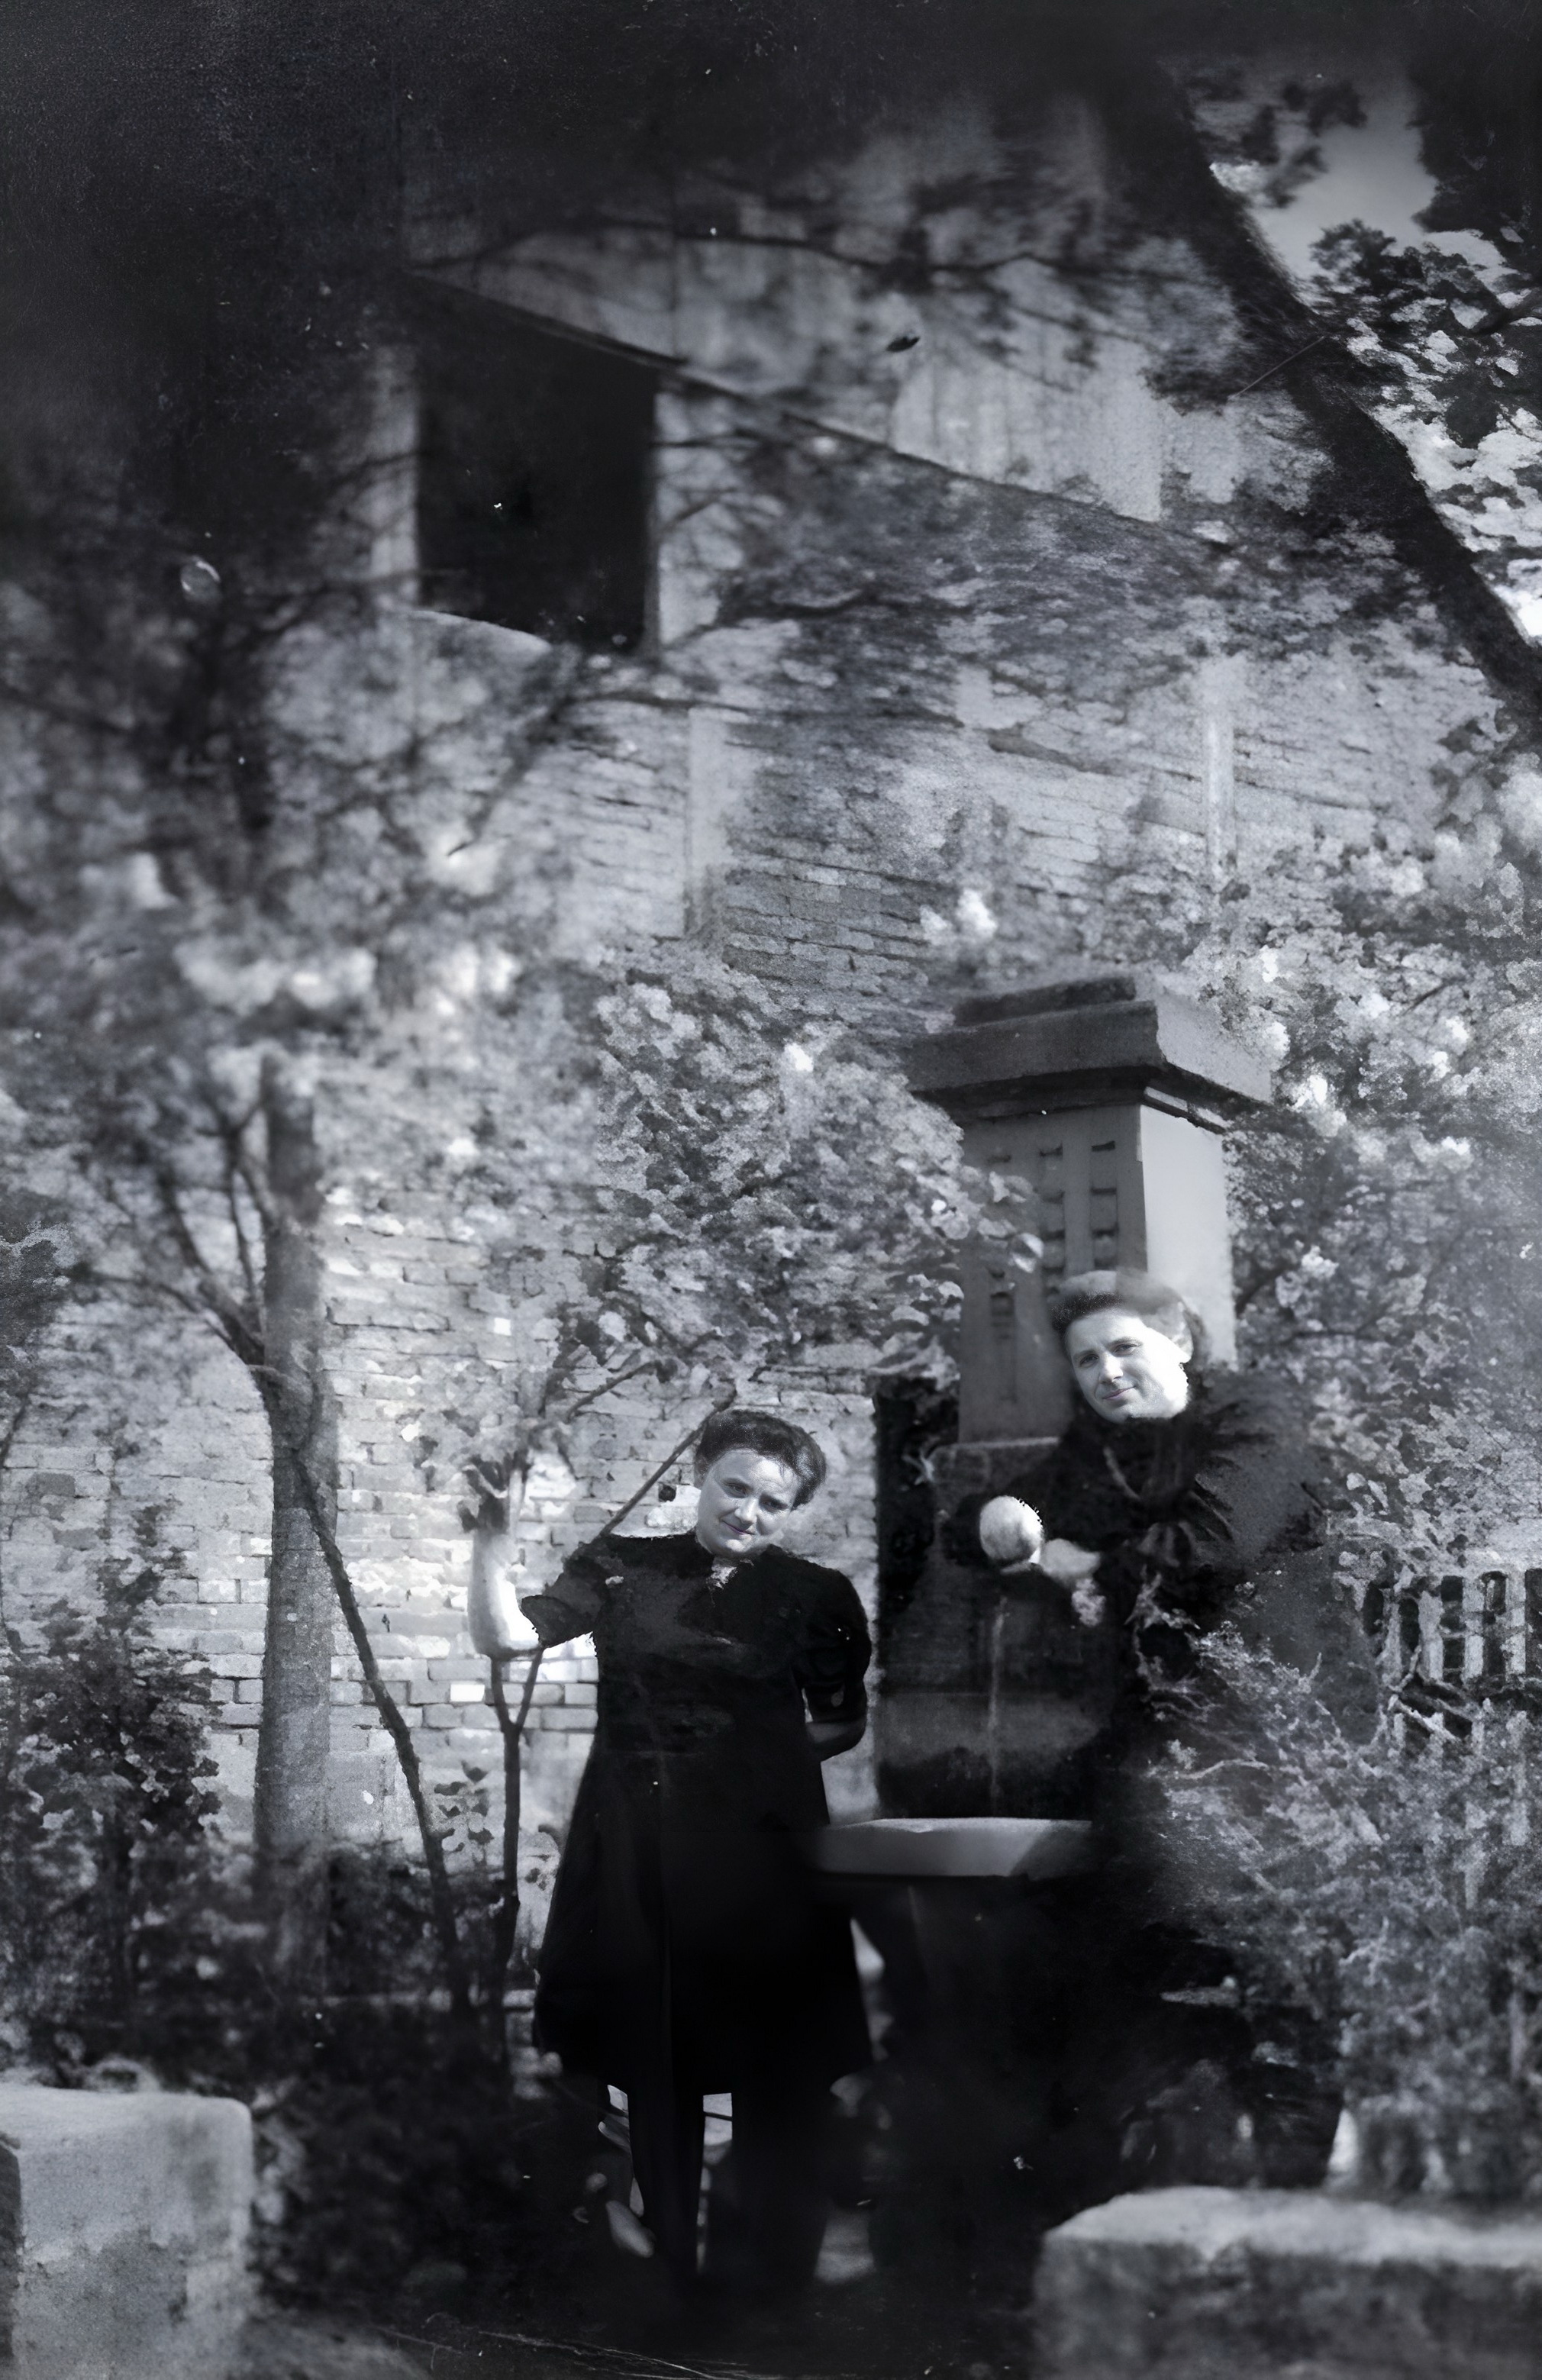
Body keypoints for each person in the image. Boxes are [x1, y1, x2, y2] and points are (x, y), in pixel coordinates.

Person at [518, 1411, 872, 2298]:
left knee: (778, 2061)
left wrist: (754, 1764)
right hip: (636, 1839)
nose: (750, 1512)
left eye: (774, 1502)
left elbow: (840, 1716)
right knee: (651, 2050)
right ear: (698, 1473)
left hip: (763, 1847)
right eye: (735, 1488)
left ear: (794, 1512)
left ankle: (777, 2285)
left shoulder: (817, 1594)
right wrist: (490, 1538)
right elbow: (508, 1634)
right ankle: (668, 2274)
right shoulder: (622, 1567)